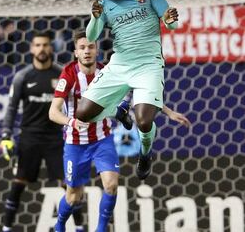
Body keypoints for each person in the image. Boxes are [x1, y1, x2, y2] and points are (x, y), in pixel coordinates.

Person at [49, 30, 190, 232]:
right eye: (82, 48)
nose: (87, 51)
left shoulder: (108, 72)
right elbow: (53, 112)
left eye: (90, 47)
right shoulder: (69, 74)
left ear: (97, 50)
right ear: (75, 52)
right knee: (73, 195)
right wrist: (71, 122)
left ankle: (101, 229)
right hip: (75, 143)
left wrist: (168, 112)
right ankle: (60, 225)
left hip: (102, 139)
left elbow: (139, 91)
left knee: (111, 184)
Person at [75, 0, 180, 181]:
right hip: (120, 64)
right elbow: (92, 37)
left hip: (148, 65)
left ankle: (145, 153)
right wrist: (95, 17)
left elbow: (170, 22)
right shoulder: (103, 5)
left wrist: (170, 21)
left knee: (143, 121)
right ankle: (119, 111)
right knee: (83, 113)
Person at [0, 31, 84, 232]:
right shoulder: (22, 77)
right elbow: (11, 108)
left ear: (51, 47)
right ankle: (6, 227)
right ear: (31, 49)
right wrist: (5, 136)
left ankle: (80, 227)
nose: (42, 49)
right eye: (37, 45)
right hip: (29, 137)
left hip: (57, 139)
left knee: (70, 185)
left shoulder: (61, 74)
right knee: (19, 182)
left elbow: (74, 103)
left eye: (45, 45)